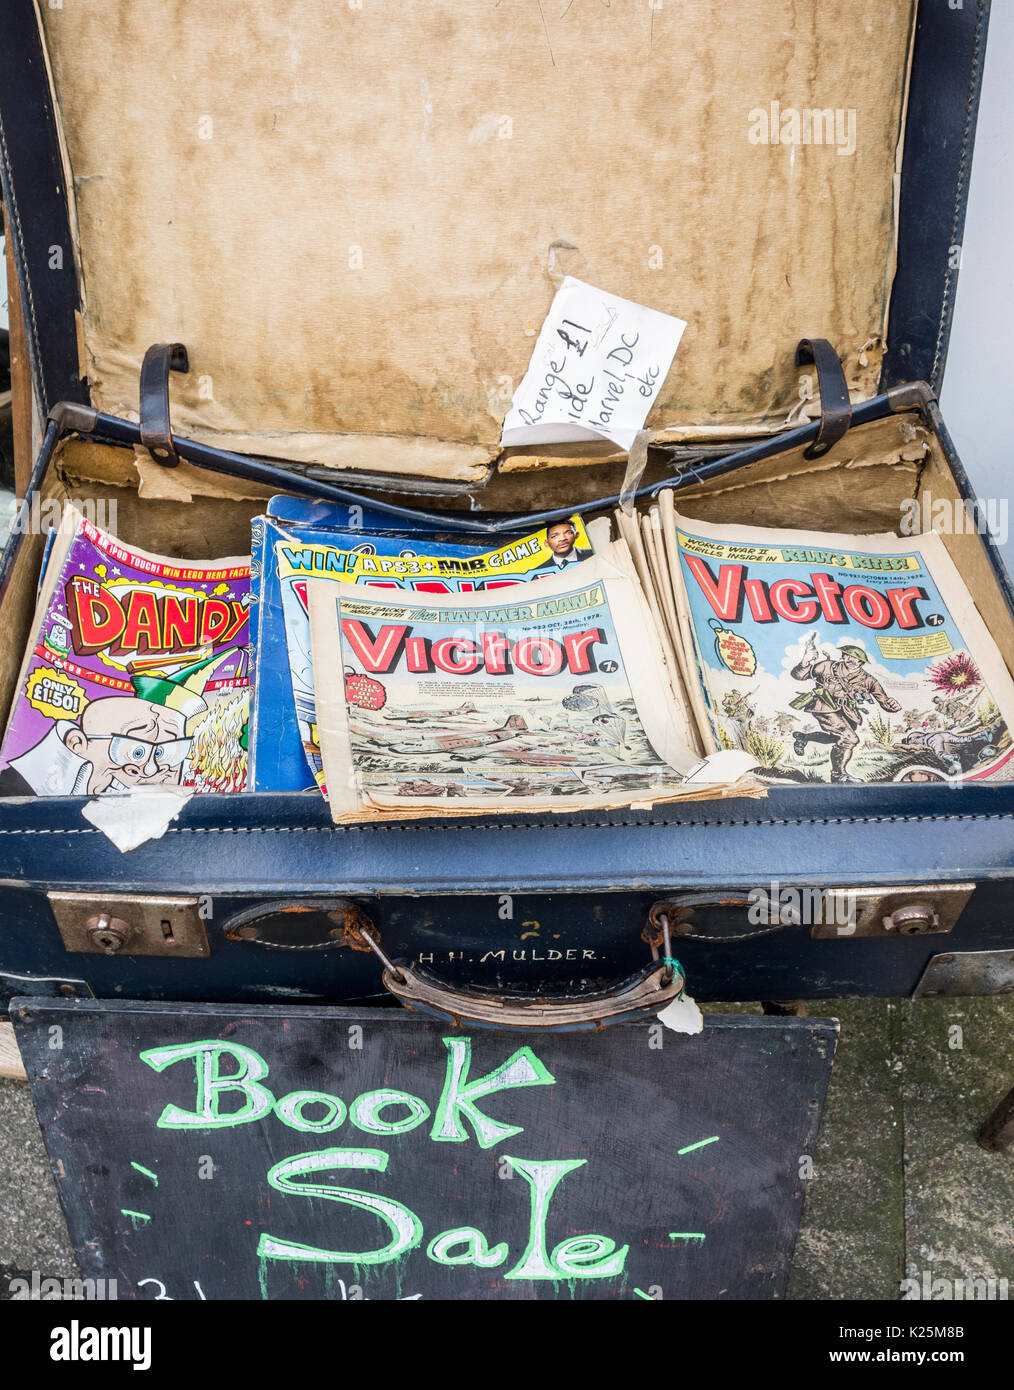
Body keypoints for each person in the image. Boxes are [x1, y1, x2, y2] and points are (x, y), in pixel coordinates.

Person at [789, 639, 901, 783]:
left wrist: (892, 705)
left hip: (848, 712)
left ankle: (803, 738)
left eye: (854, 657)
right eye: (846, 655)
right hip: (824, 706)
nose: (849, 659)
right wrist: (805, 661)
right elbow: (799, 676)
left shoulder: (869, 680)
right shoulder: (827, 666)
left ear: (861, 661)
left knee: (836, 739)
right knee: (849, 738)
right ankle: (838, 775)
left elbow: (884, 701)